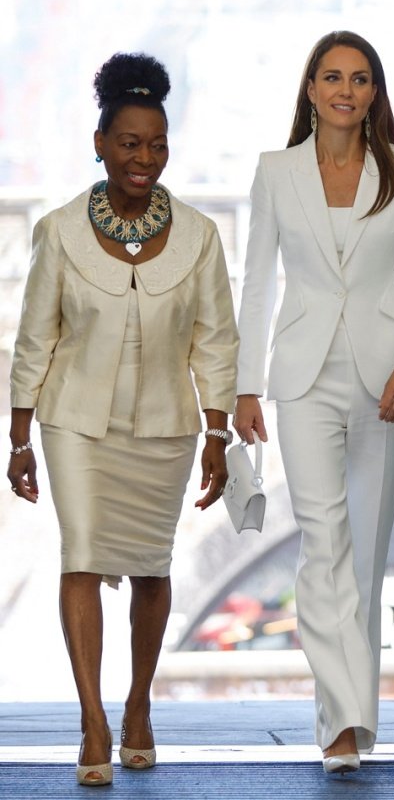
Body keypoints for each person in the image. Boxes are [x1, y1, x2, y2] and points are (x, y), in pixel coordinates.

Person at [7, 53, 238, 786]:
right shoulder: (59, 231)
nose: (144, 157)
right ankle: (93, 718)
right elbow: (35, 335)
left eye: (157, 144)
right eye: (130, 142)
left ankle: (139, 703)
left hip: (166, 427)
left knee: (152, 565)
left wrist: (217, 432)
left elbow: (215, 337)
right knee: (81, 554)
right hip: (73, 422)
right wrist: (17, 437)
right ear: (101, 142)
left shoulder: (200, 235)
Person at [234, 31, 394, 774]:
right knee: (322, 543)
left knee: (363, 558)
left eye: (359, 78)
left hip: (385, 378)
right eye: (331, 77)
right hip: (301, 374)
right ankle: (342, 724)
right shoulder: (275, 171)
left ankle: (350, 718)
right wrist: (244, 383)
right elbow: (256, 279)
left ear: (374, 93)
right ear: (311, 90)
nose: (345, 89)